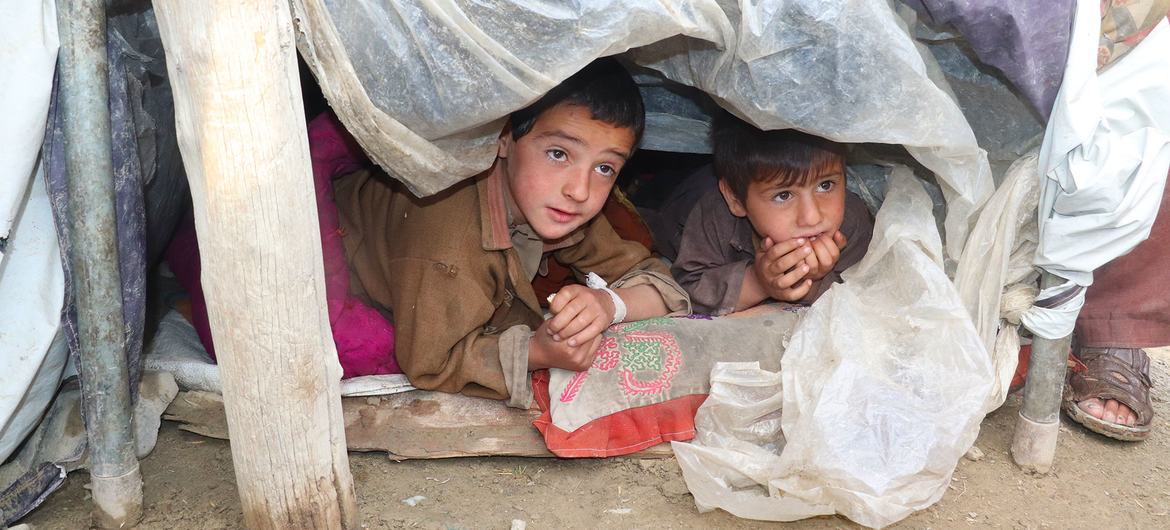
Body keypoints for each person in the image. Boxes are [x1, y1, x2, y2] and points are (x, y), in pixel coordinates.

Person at [331, 59, 690, 408]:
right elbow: (433, 362)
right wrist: (537, 352)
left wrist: (608, 304)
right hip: (341, 263)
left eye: (605, 168)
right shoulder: (450, 239)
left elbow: (658, 282)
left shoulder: (556, 204)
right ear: (502, 139)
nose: (580, 190)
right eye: (558, 153)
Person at [671, 113, 873, 315]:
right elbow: (686, 289)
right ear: (735, 200)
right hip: (680, 194)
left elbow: (864, 294)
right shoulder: (714, 216)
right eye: (783, 195)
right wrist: (758, 283)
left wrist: (807, 281)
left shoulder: (853, 221)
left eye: (825, 185)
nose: (812, 218)